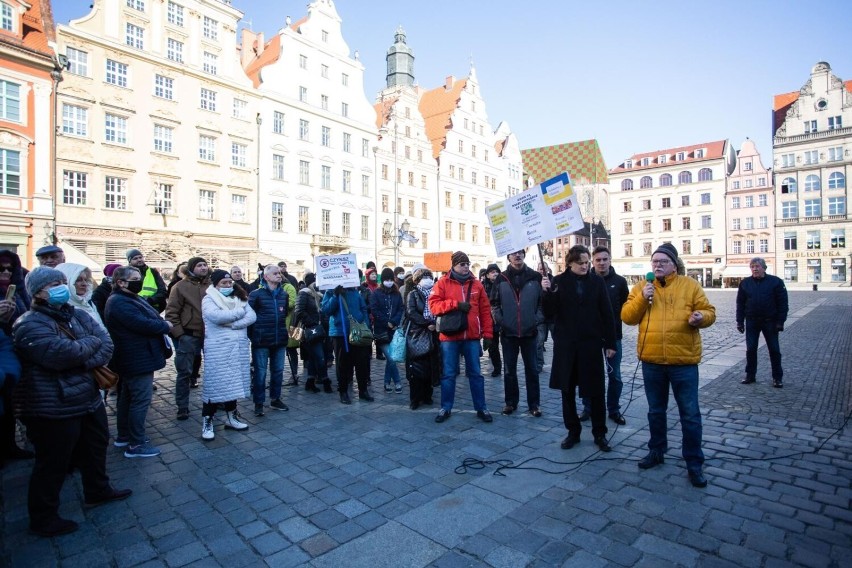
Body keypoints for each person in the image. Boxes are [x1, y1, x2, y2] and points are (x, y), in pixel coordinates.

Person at [13, 267, 130, 536]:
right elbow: (60, 355)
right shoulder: (29, 323)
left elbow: (106, 344)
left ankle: (98, 489)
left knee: (96, 444)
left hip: (87, 396)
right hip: (53, 403)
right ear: (38, 292)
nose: (61, 288)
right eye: (54, 284)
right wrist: (86, 350)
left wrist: (81, 354)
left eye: (62, 282)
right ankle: (44, 517)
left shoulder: (76, 314)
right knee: (54, 461)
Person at [622, 243, 716, 488]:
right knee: (655, 411)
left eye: (663, 261)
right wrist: (643, 299)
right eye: (655, 261)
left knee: (690, 414)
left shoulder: (690, 285)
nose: (658, 265)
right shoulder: (643, 287)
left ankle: (694, 463)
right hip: (652, 361)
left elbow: (709, 312)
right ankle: (656, 450)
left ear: (674, 264)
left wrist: (700, 318)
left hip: (683, 362)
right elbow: (627, 317)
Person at [543, 245, 616, 452]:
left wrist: (610, 342)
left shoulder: (597, 282)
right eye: (581, 263)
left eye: (586, 263)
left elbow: (607, 313)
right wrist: (546, 292)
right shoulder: (558, 282)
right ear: (570, 264)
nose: (585, 266)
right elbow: (550, 312)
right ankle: (572, 431)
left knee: (595, 390)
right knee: (567, 390)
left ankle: (599, 433)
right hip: (566, 346)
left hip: (590, 345)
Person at [105, 266, 172, 458]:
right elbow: (141, 323)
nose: (139, 281)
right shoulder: (119, 302)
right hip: (135, 357)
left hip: (137, 356)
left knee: (128, 397)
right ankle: (136, 443)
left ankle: (125, 436)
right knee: (140, 400)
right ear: (121, 282)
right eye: (134, 278)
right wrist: (164, 325)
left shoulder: (129, 298)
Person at [428, 251, 494, 424]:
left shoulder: (477, 285)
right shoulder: (443, 283)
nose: (465, 267)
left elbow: (486, 311)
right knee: (449, 374)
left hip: (471, 336)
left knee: (476, 374)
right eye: (462, 264)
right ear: (454, 265)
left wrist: (488, 334)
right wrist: (455, 305)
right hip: (450, 337)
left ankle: (481, 407)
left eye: (467, 264)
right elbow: (434, 306)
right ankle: (445, 407)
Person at [200, 270, 256, 440]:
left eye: (229, 283)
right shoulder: (209, 298)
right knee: (215, 384)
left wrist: (233, 325)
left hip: (237, 347)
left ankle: (232, 417)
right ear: (216, 284)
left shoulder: (239, 297)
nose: (228, 285)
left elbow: (252, 315)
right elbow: (216, 317)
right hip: (219, 348)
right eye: (224, 283)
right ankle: (207, 421)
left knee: (233, 384)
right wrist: (239, 314)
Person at [580, 246, 630, 425]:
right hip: (590, 336)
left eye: (605, 259)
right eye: (598, 260)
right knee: (588, 374)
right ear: (592, 262)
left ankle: (614, 409)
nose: (601, 263)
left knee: (614, 375)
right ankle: (588, 407)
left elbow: (625, 306)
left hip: (613, 336)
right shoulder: (585, 280)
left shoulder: (620, 282)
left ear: (610, 260)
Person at [491, 250, 544, 417]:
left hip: (530, 332)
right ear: (508, 257)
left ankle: (534, 404)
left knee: (532, 370)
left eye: (520, 252)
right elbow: (494, 304)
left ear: (524, 255)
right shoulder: (501, 278)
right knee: (509, 371)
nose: (517, 255)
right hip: (508, 333)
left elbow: (543, 304)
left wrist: (535, 319)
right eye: (514, 253)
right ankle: (510, 402)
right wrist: (502, 321)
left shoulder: (535, 276)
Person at [165, 256, 210, 420]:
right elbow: (171, 313)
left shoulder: (212, 285)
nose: (204, 268)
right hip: (189, 335)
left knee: (213, 370)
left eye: (205, 265)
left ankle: (216, 400)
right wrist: (179, 334)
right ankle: (182, 406)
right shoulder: (180, 286)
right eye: (199, 265)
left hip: (210, 335)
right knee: (184, 372)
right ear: (192, 268)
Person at [0, 249, 33, 468]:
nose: (5, 273)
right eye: (1, 269)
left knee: (9, 409)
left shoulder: (16, 292)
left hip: (13, 360)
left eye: (10, 269)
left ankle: (9, 446)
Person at [736, 257, 788, 388]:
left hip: (770, 321)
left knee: (774, 350)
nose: (754, 269)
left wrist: (780, 321)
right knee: (751, 350)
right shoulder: (745, 283)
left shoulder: (776, 282)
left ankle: (777, 377)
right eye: (752, 267)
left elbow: (783, 303)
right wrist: (740, 321)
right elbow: (740, 304)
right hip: (752, 321)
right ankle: (750, 375)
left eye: (757, 266)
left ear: (764, 268)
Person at [248, 265, 292, 416]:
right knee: (260, 373)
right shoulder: (256, 295)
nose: (279, 275)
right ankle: (259, 403)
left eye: (279, 273)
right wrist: (254, 335)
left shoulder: (284, 295)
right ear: (266, 277)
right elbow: (249, 317)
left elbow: (284, 314)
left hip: (279, 339)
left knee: (278, 371)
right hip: (261, 340)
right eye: (275, 273)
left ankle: (275, 399)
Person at [321, 282, 373, 404]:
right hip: (340, 332)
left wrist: (365, 324)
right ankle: (343, 391)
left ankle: (363, 390)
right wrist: (335, 295)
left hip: (358, 331)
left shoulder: (354, 291)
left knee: (362, 362)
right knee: (343, 364)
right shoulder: (330, 291)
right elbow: (326, 310)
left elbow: (363, 308)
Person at [405, 267, 439, 410]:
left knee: (429, 367)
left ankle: (427, 395)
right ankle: (415, 398)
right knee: (416, 368)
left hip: (432, 334)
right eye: (424, 277)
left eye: (429, 276)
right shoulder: (413, 294)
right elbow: (411, 312)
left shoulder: (435, 293)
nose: (427, 279)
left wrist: (434, 323)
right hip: (417, 334)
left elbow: (439, 309)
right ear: (417, 280)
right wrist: (427, 324)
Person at [294, 272, 331, 394]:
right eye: (313, 281)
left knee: (315, 356)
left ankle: (310, 382)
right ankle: (325, 381)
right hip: (310, 330)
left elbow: (324, 311)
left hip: (322, 329)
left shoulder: (321, 294)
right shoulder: (303, 294)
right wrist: (313, 323)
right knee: (319, 357)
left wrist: (324, 324)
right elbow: (299, 311)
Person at [371, 267, 404, 393]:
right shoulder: (376, 293)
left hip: (394, 330)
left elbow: (400, 309)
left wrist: (394, 322)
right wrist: (387, 322)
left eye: (391, 279)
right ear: (383, 280)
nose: (389, 281)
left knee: (391, 357)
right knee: (391, 357)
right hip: (381, 332)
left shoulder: (396, 294)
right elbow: (374, 310)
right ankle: (397, 381)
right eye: (387, 279)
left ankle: (386, 382)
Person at [56, 263, 105, 331]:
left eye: (86, 280)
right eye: (78, 280)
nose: (84, 284)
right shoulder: (60, 308)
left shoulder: (88, 302)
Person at [126, 249, 168, 313]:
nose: (139, 260)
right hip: (132, 307)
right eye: (135, 258)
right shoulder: (125, 273)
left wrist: (150, 300)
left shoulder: (153, 272)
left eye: (140, 257)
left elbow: (162, 291)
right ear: (130, 261)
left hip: (152, 307)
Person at [481, 263, 502, 377]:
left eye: (496, 272)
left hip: (503, 320)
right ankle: (497, 368)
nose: (495, 274)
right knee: (492, 347)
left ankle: (505, 367)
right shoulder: (483, 287)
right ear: (487, 275)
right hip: (489, 321)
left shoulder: (503, 284)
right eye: (492, 272)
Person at [535, 261, 555, 374]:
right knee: (539, 342)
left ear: (548, 269)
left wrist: (549, 288)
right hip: (540, 316)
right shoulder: (534, 281)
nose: (542, 270)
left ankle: (558, 363)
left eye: (544, 268)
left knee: (557, 341)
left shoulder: (554, 280)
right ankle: (539, 363)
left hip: (552, 315)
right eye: (540, 269)